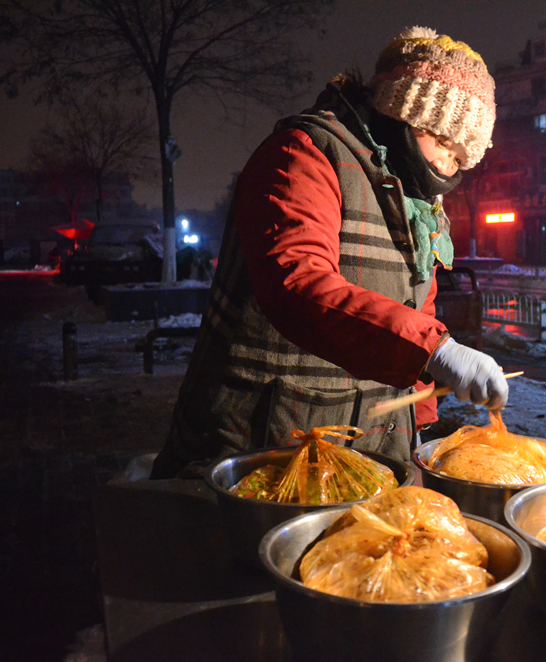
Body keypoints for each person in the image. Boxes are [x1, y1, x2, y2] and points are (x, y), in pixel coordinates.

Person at [150, 26, 507, 478]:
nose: (444, 167)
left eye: (459, 159)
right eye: (440, 142)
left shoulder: (418, 205)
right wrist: (433, 350)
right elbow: (297, 281)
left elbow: (419, 303)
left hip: (365, 452)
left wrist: (419, 423)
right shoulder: (304, 155)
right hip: (259, 443)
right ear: (400, 111)